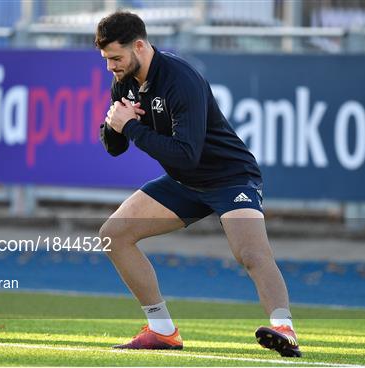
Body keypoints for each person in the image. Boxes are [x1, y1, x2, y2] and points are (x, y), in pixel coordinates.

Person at [95, 11, 301, 358]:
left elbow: (186, 153)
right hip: (184, 182)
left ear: (140, 46)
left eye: (115, 58)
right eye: (106, 59)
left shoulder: (180, 79)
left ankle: (284, 328)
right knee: (113, 235)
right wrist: (113, 125)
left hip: (229, 176)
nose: (110, 67)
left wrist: (130, 126)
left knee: (250, 253)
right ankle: (161, 330)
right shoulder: (125, 81)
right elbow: (115, 147)